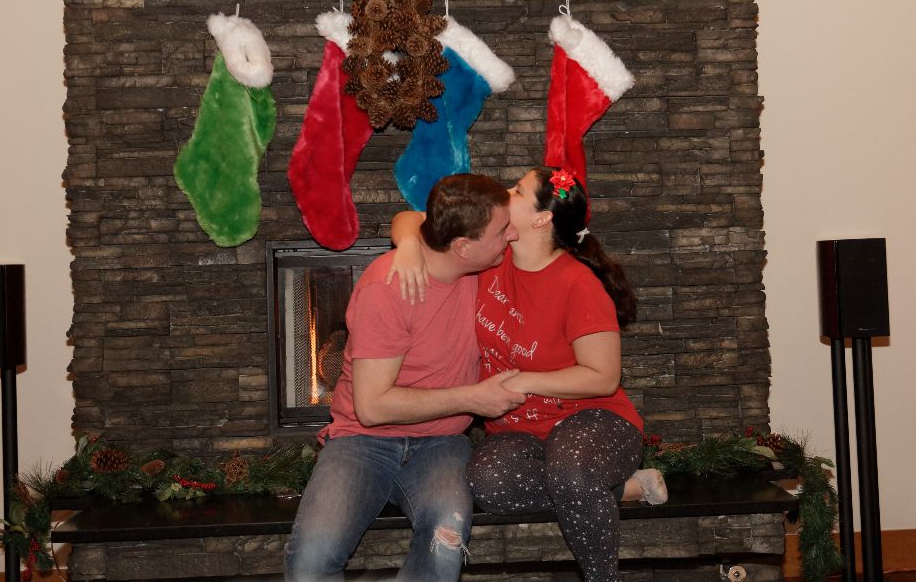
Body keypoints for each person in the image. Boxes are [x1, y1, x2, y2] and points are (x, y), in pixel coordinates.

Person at [389, 166, 666, 582]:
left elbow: (603, 377)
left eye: (518, 190)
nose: (505, 192)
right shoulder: (488, 258)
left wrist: (524, 380)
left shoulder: (577, 283)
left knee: (571, 470)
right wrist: (410, 246)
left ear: (541, 219)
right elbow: (412, 218)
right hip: (518, 431)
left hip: (592, 419)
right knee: (487, 483)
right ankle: (618, 488)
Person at [284, 173, 526, 582]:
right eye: (503, 230)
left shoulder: (484, 267)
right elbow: (373, 407)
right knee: (312, 558)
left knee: (445, 538)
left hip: (441, 443)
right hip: (362, 441)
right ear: (463, 247)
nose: (513, 235)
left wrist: (409, 239)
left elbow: (411, 218)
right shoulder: (388, 287)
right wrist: (473, 398)